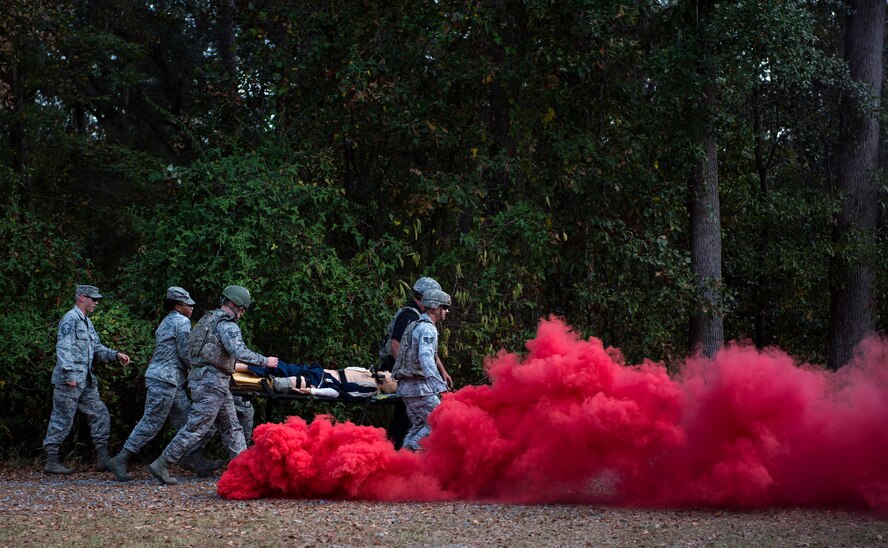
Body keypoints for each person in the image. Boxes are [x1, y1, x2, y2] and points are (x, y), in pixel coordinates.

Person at [147, 285, 278, 485]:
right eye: (242, 309)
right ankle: (162, 463)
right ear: (233, 304)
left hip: (211, 380)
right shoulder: (227, 324)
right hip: (212, 382)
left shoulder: (208, 319)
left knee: (231, 426)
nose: (242, 313)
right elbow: (239, 351)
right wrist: (265, 361)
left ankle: (244, 469)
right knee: (196, 427)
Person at [107, 287, 219, 481]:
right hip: (165, 380)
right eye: (187, 304)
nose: (192, 307)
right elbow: (185, 352)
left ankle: (198, 462)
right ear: (177, 306)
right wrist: (202, 366)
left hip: (168, 380)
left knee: (187, 420)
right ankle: (120, 460)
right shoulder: (181, 322)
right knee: (151, 422)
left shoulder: (166, 321)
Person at [43, 285, 131, 474]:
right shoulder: (70, 319)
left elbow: (97, 348)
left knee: (100, 414)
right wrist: (69, 375)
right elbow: (63, 348)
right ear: (82, 298)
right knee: (62, 419)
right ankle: (51, 461)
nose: (96, 302)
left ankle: (102, 458)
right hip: (70, 381)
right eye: (93, 299)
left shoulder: (86, 322)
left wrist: (116, 355)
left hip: (86, 382)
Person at [377, 277, 453, 448]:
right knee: (439, 420)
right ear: (434, 306)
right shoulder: (424, 326)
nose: (446, 311)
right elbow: (425, 359)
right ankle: (411, 458)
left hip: (408, 385)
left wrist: (441, 373)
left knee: (417, 427)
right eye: (444, 307)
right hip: (418, 386)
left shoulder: (418, 323)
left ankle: (403, 462)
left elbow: (427, 354)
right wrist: (439, 387)